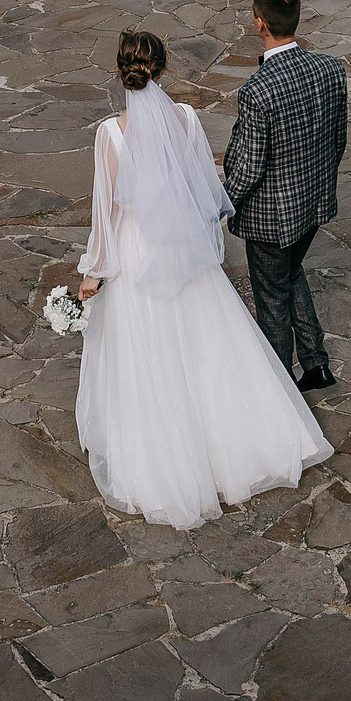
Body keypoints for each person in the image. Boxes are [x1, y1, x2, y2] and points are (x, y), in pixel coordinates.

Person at [73, 31, 332, 530]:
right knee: (204, 342)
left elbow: (104, 213)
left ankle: (165, 456)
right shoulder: (187, 119)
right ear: (163, 69)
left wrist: (93, 272)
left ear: (121, 70)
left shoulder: (111, 133)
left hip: (137, 251)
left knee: (149, 351)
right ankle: (236, 443)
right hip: (183, 254)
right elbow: (204, 194)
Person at [221, 0, 350, 391]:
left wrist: (220, 204)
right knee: (291, 273)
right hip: (313, 207)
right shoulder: (330, 69)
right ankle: (316, 364)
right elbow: (338, 139)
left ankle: (280, 393)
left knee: (272, 300)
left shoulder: (258, 90)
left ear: (259, 23)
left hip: (271, 221)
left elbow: (248, 167)